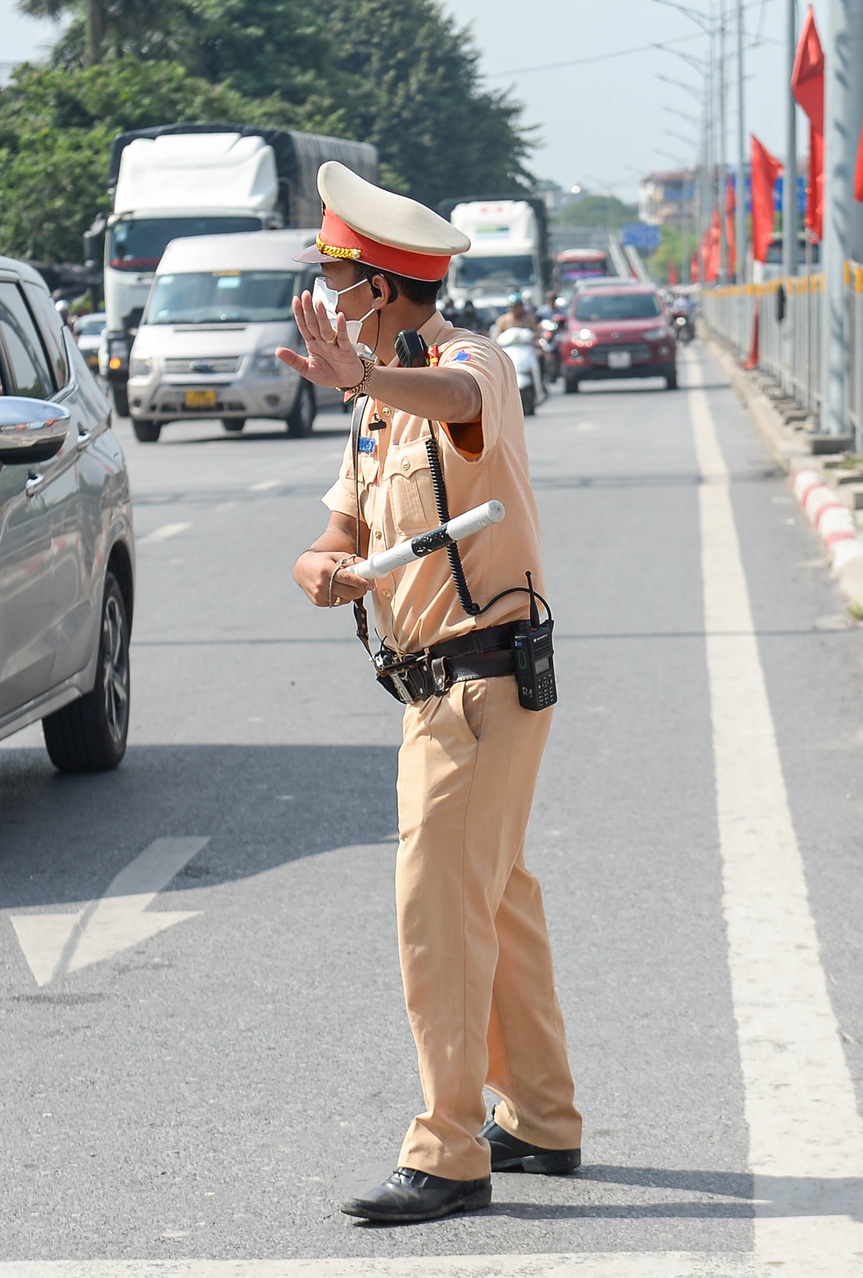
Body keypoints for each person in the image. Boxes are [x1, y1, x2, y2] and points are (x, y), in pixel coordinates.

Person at [278, 162, 582, 1225]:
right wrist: (322, 566)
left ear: (381, 288)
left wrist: (363, 378)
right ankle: (541, 1117)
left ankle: (450, 1151)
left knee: (438, 914)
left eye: (337, 277)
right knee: (494, 894)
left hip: (484, 683)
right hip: (429, 692)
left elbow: (458, 405)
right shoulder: (372, 415)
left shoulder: (469, 365)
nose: (322, 297)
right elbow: (340, 531)